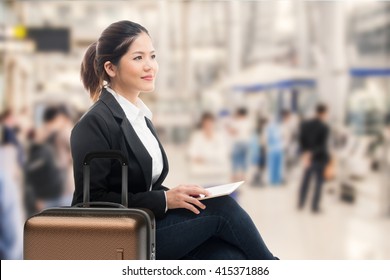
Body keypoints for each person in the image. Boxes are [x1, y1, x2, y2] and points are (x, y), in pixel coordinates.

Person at [71, 20, 277, 260]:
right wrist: (165, 199)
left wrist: (179, 195)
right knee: (223, 210)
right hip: (119, 237)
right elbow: (92, 203)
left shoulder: (140, 117)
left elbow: (142, 186)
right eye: (138, 58)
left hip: (147, 223)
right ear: (111, 68)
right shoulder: (95, 124)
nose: (150, 67)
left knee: (230, 256)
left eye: (152, 56)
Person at [298, 104, 330, 213]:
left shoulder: (305, 124)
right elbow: (322, 145)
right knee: (318, 183)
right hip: (319, 158)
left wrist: (305, 153)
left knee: (306, 180)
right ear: (324, 113)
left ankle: (301, 203)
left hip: (307, 157)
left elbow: (301, 139)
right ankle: (315, 206)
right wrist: (312, 153)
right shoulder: (324, 127)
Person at [187, 112, 230, 186]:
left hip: (218, 174)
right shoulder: (197, 136)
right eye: (206, 123)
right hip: (200, 174)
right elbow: (191, 153)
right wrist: (211, 157)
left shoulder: (219, 136)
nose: (208, 125)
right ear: (202, 124)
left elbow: (222, 155)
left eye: (210, 123)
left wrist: (203, 158)